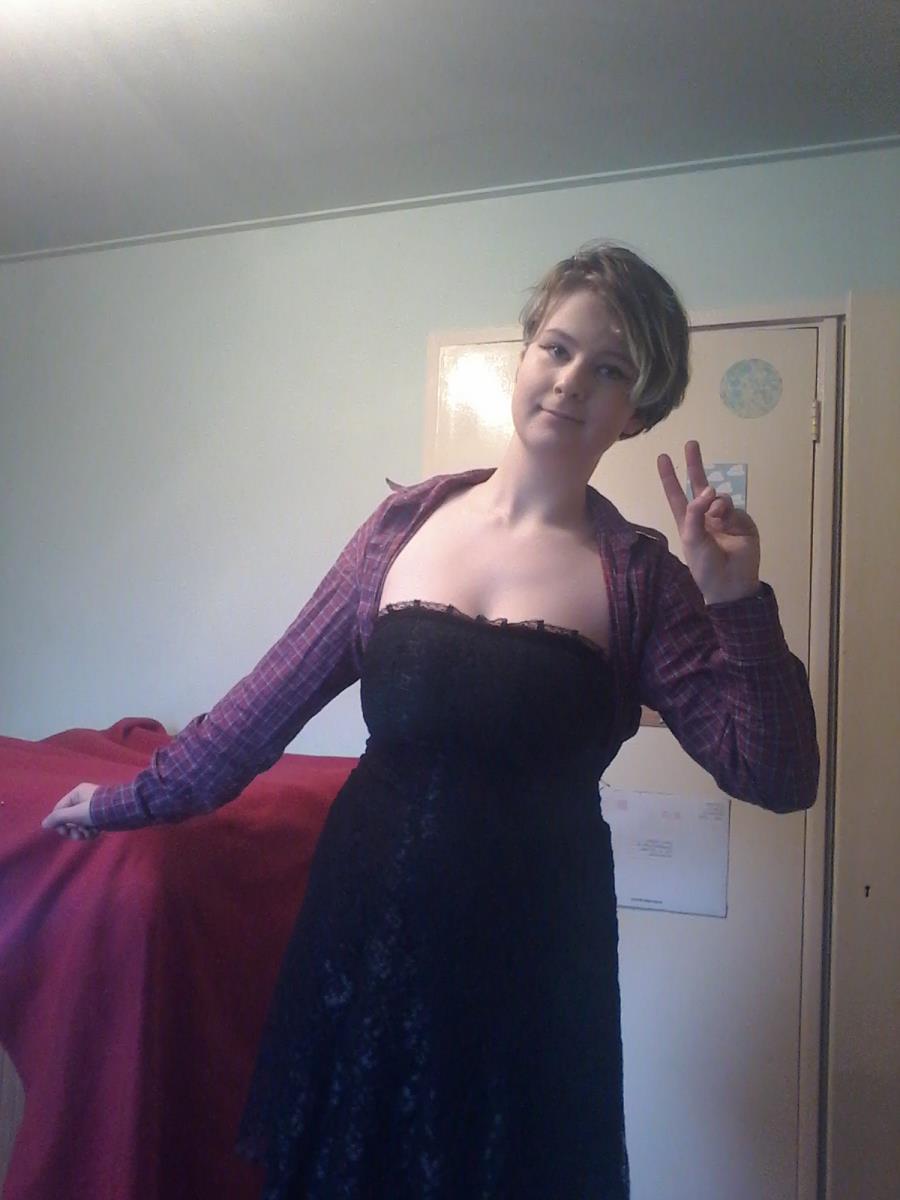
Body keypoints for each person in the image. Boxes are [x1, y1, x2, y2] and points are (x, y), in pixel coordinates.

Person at [43, 243, 819, 1199]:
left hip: (530, 973)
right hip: (359, 943)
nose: (572, 380)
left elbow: (776, 774)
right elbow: (258, 713)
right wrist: (120, 803)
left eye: (611, 368)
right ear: (524, 355)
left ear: (639, 409)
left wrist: (736, 602)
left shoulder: (643, 579)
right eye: (557, 347)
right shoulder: (399, 529)